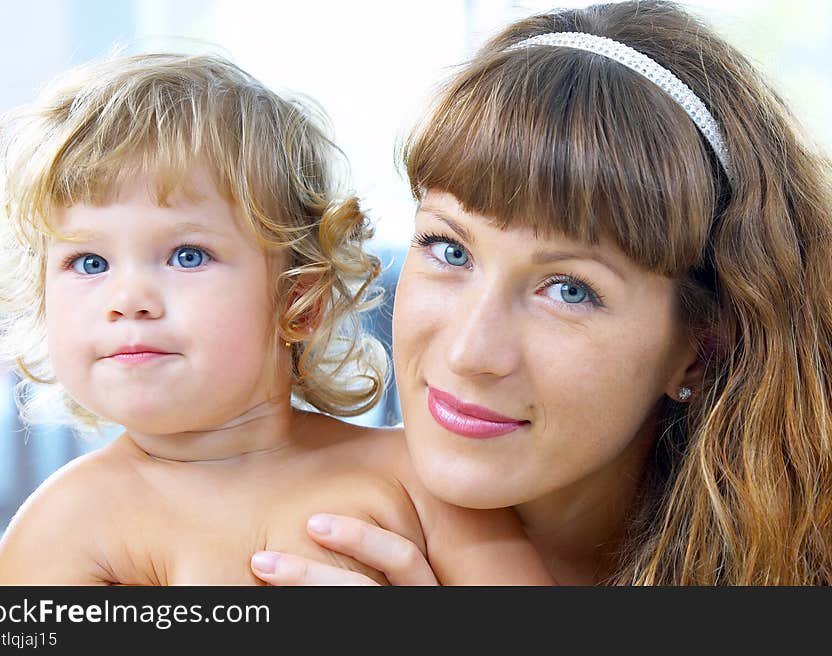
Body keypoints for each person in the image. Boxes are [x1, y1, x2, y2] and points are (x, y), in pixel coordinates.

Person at [251, 0, 832, 585]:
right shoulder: (286, 540)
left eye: (571, 290)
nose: (468, 353)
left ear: (699, 353)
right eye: (450, 250)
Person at [0, 52, 553, 585]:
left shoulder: (418, 484)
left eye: (187, 256)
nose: (127, 298)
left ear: (300, 300)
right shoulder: (64, 527)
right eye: (88, 261)